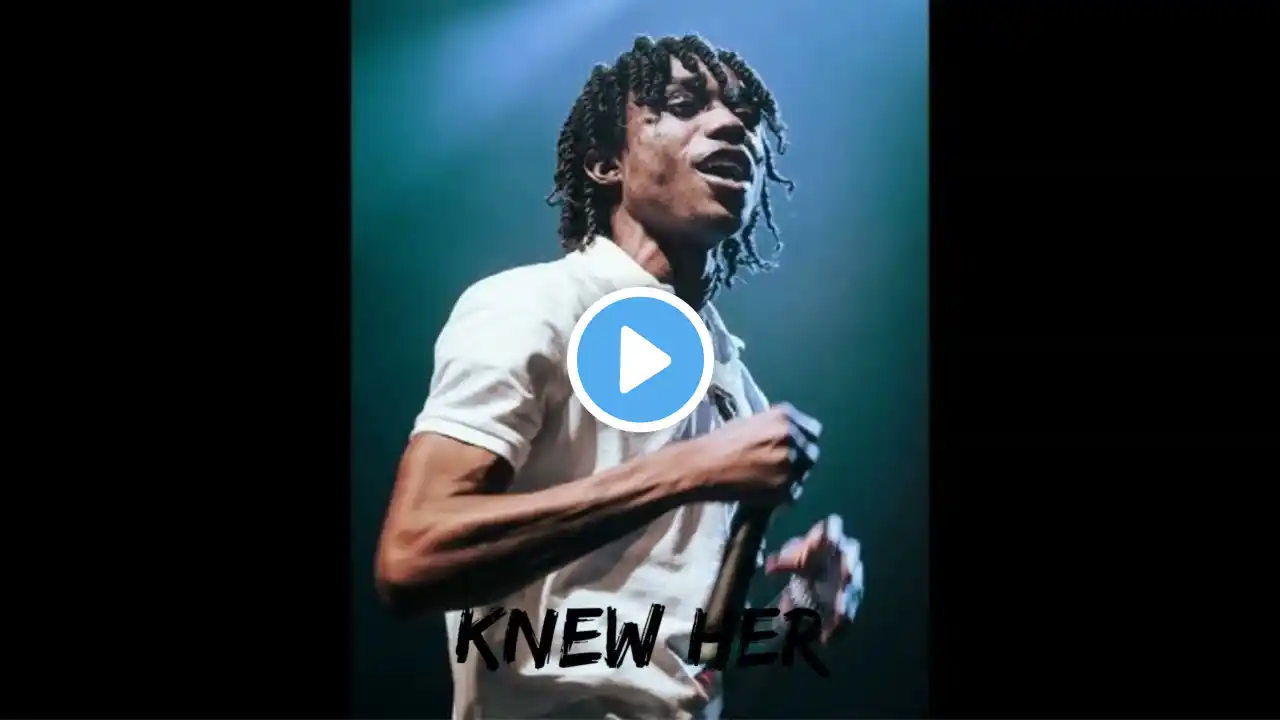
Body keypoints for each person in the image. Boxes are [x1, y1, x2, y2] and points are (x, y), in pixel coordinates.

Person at [375, 34, 865, 720]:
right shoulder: (535, 305)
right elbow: (412, 558)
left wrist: (795, 620)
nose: (732, 125)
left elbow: (686, 667)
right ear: (607, 163)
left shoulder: (737, 387)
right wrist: (689, 470)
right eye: (685, 104)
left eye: (745, 114)